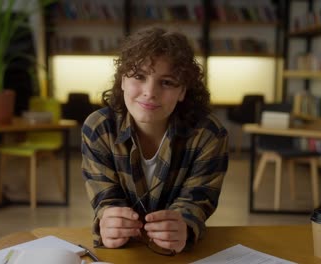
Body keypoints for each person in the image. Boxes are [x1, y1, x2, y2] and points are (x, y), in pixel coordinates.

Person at [81, 27, 228, 254]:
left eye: (167, 82)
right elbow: (105, 199)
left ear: (182, 91)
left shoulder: (208, 133)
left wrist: (184, 226)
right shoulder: (99, 128)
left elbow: (198, 201)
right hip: (124, 253)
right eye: (139, 76)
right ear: (122, 81)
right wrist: (109, 222)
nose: (150, 92)